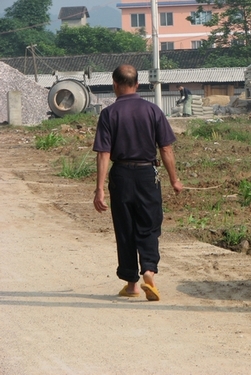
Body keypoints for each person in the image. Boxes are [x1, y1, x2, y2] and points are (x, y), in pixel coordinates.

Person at [93, 64, 183, 301]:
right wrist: (174, 179)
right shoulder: (153, 110)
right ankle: (149, 271)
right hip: (147, 175)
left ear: (114, 84)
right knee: (149, 224)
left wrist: (99, 189)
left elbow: (103, 153)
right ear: (138, 84)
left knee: (125, 228)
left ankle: (132, 283)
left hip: (121, 175)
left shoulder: (109, 114)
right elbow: (166, 148)